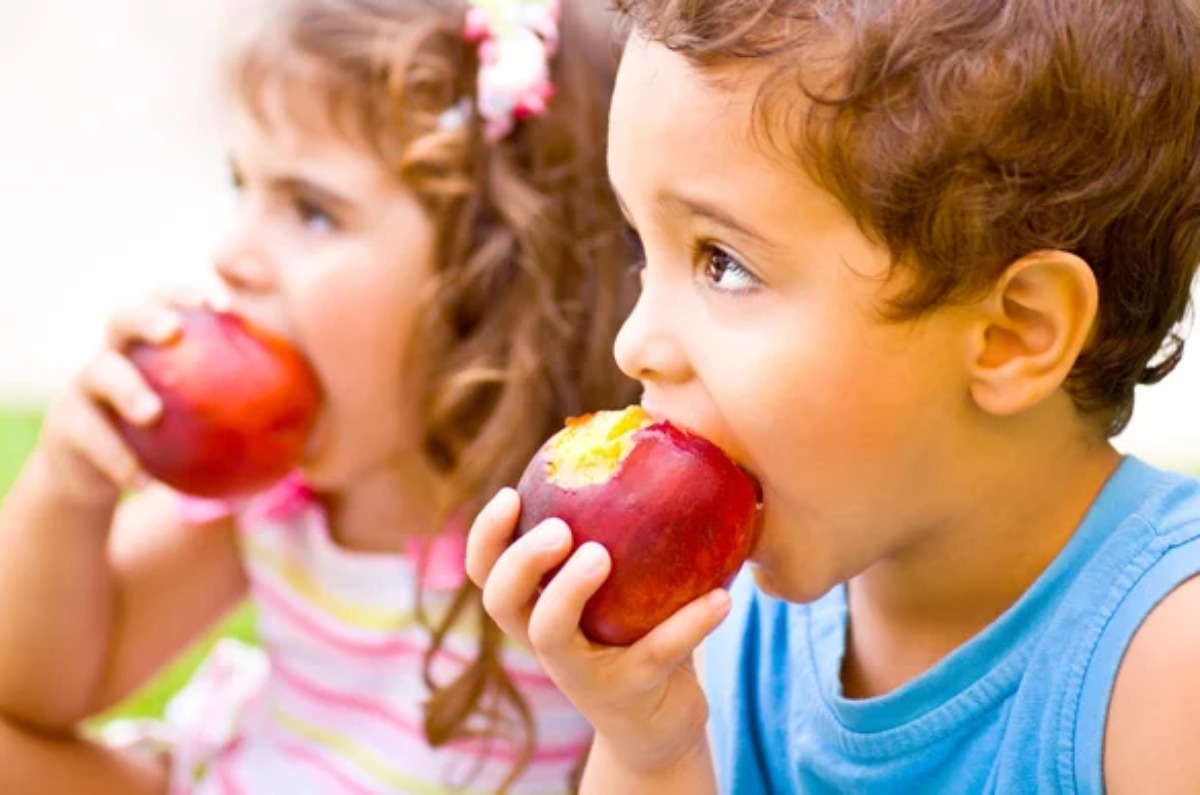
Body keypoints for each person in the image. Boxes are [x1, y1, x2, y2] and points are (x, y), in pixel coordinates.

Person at [466, 0, 1200, 792]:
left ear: (1012, 332)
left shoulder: (1163, 664)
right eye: (643, 250)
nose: (633, 341)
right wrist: (651, 746)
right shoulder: (729, 618)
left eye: (724, 262)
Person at [0, 1, 636, 792]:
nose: (233, 256)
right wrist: (68, 490)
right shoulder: (276, 490)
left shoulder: (577, 545)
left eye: (311, 210)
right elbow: (35, 692)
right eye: (244, 189)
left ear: (492, 285)